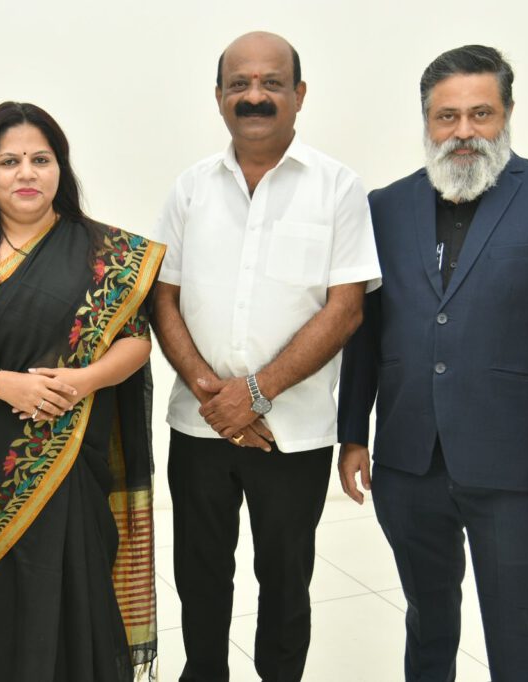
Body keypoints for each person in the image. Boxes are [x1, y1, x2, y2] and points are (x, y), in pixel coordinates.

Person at [337, 45, 528, 681]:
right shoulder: (384, 208)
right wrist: (353, 432)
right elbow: (365, 331)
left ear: (507, 113)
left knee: (517, 623)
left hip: (513, 466)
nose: (463, 131)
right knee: (427, 619)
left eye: (480, 114)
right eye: (447, 116)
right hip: (408, 462)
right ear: (427, 120)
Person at [152, 32, 382, 681]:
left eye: (271, 83)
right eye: (240, 84)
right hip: (199, 427)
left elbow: (346, 309)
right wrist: (214, 394)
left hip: (294, 433)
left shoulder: (337, 187)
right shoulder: (190, 188)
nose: (254, 96)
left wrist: (254, 394)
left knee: (285, 580)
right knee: (199, 576)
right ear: (219, 96)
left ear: (299, 94)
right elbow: (162, 298)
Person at [0, 101, 163, 682]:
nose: (26, 173)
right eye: (9, 161)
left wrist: (84, 380)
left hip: (73, 459)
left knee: (75, 592)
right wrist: (1, 384)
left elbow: (135, 340)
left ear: (60, 168)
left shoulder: (103, 254)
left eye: (40, 159)